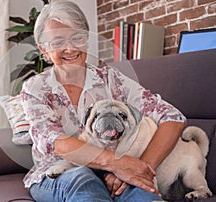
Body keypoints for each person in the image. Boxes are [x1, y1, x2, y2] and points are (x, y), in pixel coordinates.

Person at [20, 1, 186, 201]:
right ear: (44, 50)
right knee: (82, 180)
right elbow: (55, 142)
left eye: (77, 38)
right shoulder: (35, 88)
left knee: (143, 193)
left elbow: (173, 118)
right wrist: (118, 164)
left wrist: (140, 168)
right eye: (58, 42)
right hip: (58, 173)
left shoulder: (110, 79)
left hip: (116, 171)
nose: (70, 48)